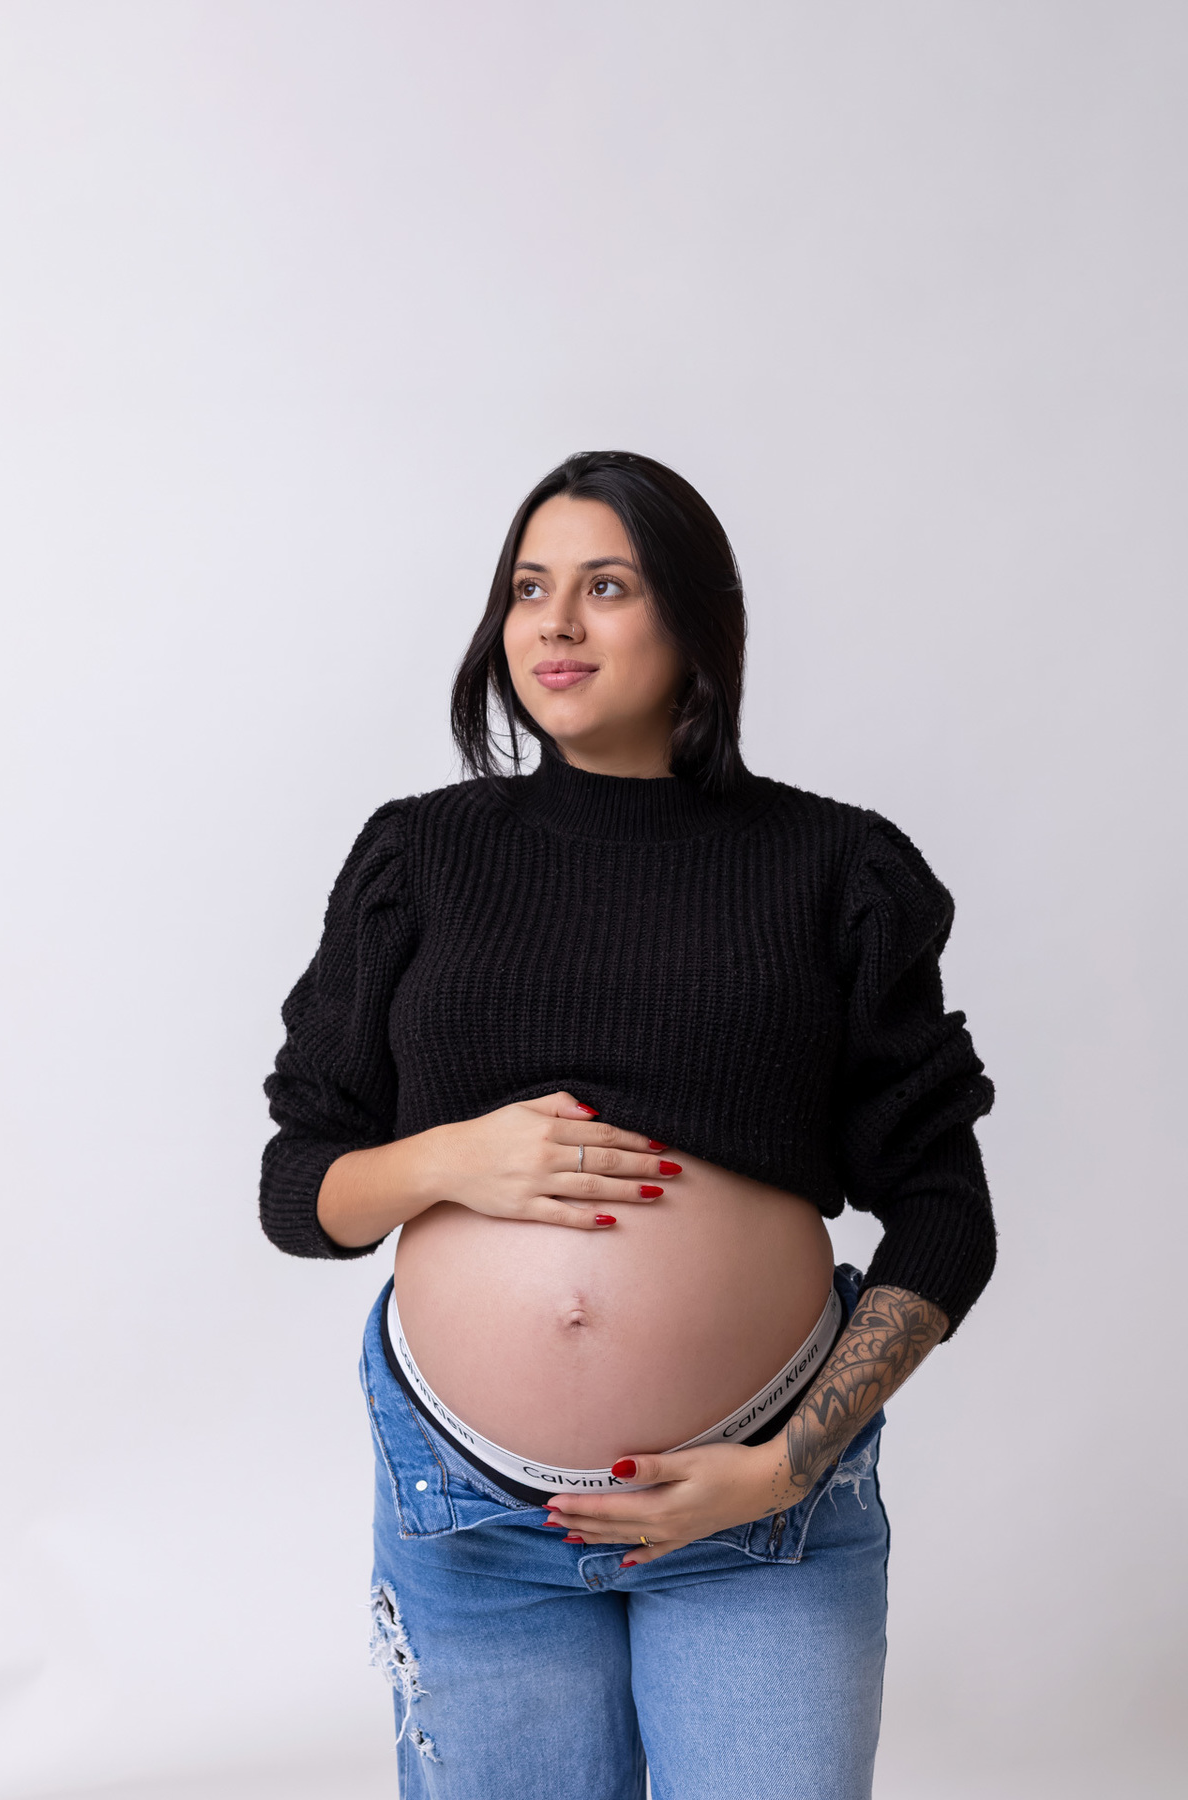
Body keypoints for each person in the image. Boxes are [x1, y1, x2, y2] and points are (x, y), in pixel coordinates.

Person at [259, 450, 995, 1800]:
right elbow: (299, 1187)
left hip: (759, 1520)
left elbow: (947, 1214)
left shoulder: (833, 868)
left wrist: (786, 1464)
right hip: (471, 1514)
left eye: (608, 586)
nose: (555, 623)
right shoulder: (417, 859)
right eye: (530, 589)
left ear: (698, 624)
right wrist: (449, 1160)